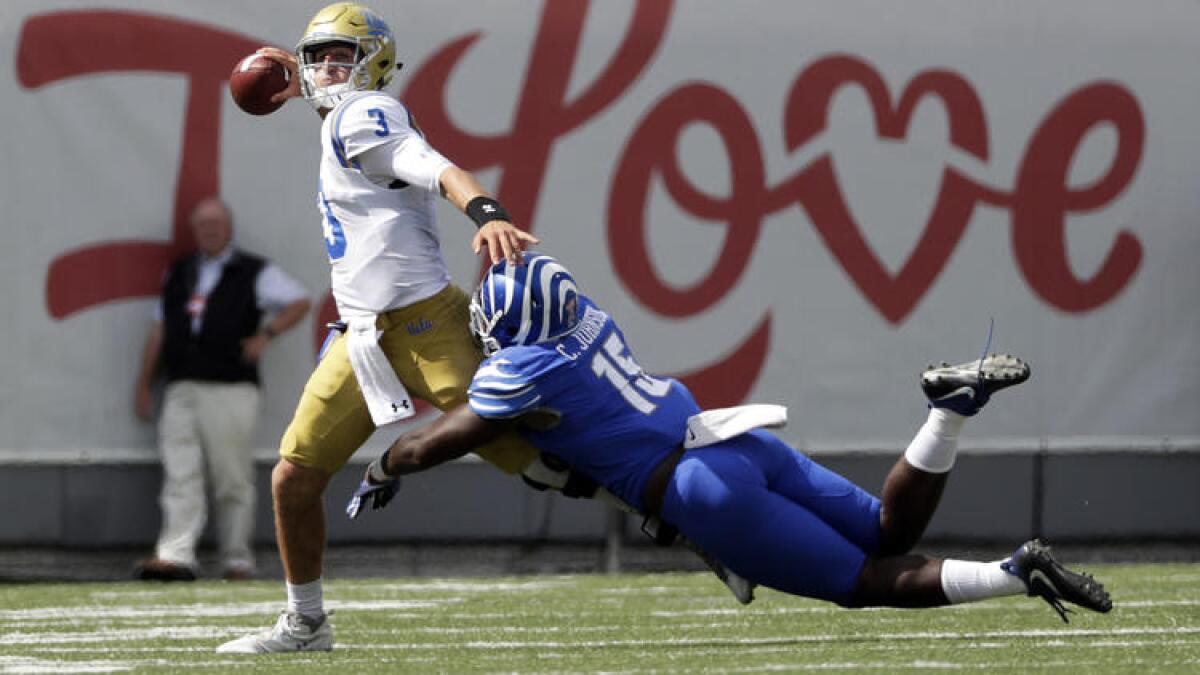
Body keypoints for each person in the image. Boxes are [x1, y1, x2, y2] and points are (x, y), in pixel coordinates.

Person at [216, 3, 738, 654]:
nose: (324, 69)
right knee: (293, 477)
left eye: (338, 58)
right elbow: (343, 114)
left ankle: (694, 526)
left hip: (427, 323)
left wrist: (485, 212)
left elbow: (430, 164)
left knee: (538, 454)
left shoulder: (362, 113)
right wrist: (303, 76)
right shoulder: (340, 116)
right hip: (363, 338)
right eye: (317, 56)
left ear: (373, 62)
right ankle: (306, 623)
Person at [347, 253, 1113, 623]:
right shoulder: (586, 318)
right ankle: (948, 410)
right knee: (889, 530)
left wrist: (384, 462)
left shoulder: (522, 368)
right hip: (729, 436)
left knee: (862, 581)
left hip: (698, 488)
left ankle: (1017, 571)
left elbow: (436, 442)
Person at [133, 196, 312, 581]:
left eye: (215, 225)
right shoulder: (180, 272)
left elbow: (298, 301)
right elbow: (159, 328)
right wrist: (144, 383)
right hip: (181, 382)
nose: (209, 232)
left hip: (231, 384)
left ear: (228, 228)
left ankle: (236, 557)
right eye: (202, 226)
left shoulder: (252, 270)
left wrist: (266, 335)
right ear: (194, 231)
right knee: (180, 472)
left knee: (232, 475)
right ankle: (176, 554)